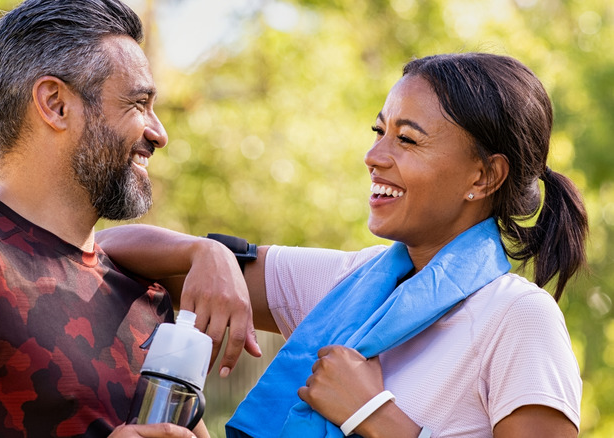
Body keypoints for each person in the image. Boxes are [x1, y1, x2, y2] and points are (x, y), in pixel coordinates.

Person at [96, 53, 588, 437]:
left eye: (407, 140)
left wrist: (371, 414)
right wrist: (204, 254)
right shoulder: (351, 284)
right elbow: (111, 250)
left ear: (483, 176)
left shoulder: (518, 318)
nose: (374, 156)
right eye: (379, 131)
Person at [0, 1, 259, 437]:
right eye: (138, 103)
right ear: (55, 104)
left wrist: (206, 250)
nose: (159, 133)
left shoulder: (142, 292)